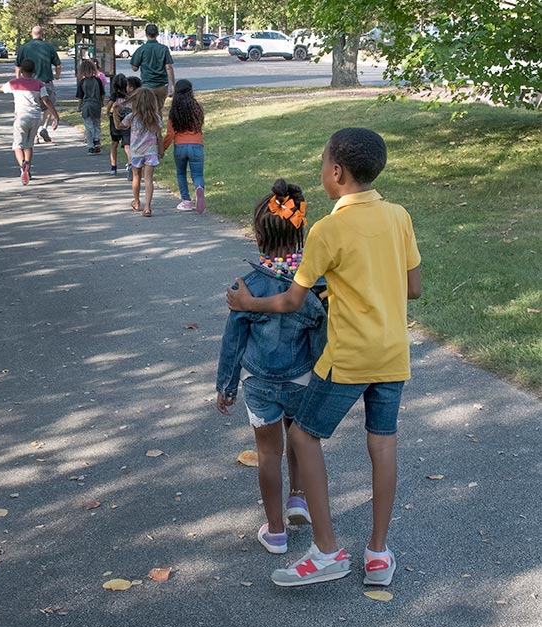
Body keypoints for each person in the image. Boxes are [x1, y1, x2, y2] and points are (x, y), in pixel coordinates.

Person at [227, 128, 422, 587]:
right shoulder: (399, 216)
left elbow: (293, 301)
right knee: (383, 444)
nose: (321, 172)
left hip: (347, 358)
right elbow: (412, 288)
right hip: (392, 354)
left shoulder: (328, 229)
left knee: (303, 438)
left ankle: (328, 550)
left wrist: (249, 305)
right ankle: (378, 553)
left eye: (322, 164)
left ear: (336, 172)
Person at [216, 179, 326, 555]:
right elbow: (322, 334)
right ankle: (298, 497)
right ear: (301, 233)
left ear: (259, 237)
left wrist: (226, 385)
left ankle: (276, 530)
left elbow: (233, 341)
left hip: (260, 382)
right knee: (301, 440)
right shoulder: (315, 285)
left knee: (268, 453)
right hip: (302, 378)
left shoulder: (245, 287)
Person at [0, 59, 59, 185]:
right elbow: (46, 100)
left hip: (21, 117)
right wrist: (56, 116)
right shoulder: (39, 84)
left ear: (21, 70)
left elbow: (0, 90)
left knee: (18, 145)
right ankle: (28, 165)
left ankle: (23, 168)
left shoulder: (14, 83)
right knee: (29, 144)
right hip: (35, 117)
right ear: (34, 71)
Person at [113, 87, 163, 217]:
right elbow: (159, 136)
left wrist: (114, 112)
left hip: (136, 152)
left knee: (136, 177)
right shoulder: (156, 118)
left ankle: (136, 201)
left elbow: (119, 126)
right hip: (151, 151)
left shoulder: (132, 117)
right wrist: (161, 150)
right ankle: (147, 207)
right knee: (148, 179)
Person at [163, 79, 206, 214]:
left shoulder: (173, 112)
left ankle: (186, 201)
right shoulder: (198, 108)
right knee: (197, 174)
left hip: (180, 146)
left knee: (181, 173)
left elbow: (170, 134)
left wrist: (162, 149)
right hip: (196, 144)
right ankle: (199, 188)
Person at [15, 25, 61, 143]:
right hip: (46, 82)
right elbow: (58, 65)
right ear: (42, 34)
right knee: (49, 105)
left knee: (33, 106)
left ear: (32, 34)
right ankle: (43, 127)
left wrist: (18, 79)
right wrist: (57, 76)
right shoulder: (49, 47)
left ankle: (34, 135)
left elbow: (18, 66)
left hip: (30, 84)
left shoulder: (24, 48)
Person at [131, 24, 175, 115]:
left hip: (147, 85)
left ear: (146, 34)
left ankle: (148, 128)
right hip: (162, 85)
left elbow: (134, 68)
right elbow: (169, 67)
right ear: (157, 34)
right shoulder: (164, 49)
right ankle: (158, 128)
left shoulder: (141, 49)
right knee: (158, 111)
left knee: (147, 111)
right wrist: (173, 85)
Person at [76, 59, 105, 154]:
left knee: (88, 126)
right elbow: (102, 94)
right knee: (97, 123)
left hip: (86, 106)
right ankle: (97, 140)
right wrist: (102, 102)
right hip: (96, 105)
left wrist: (79, 107)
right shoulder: (98, 81)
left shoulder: (82, 82)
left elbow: (80, 97)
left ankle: (91, 145)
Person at [106, 73, 128, 174]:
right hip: (126, 120)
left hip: (115, 120)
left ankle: (113, 166)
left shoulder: (114, 94)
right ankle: (131, 164)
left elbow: (110, 105)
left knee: (114, 143)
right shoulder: (128, 94)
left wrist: (108, 113)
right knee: (127, 144)